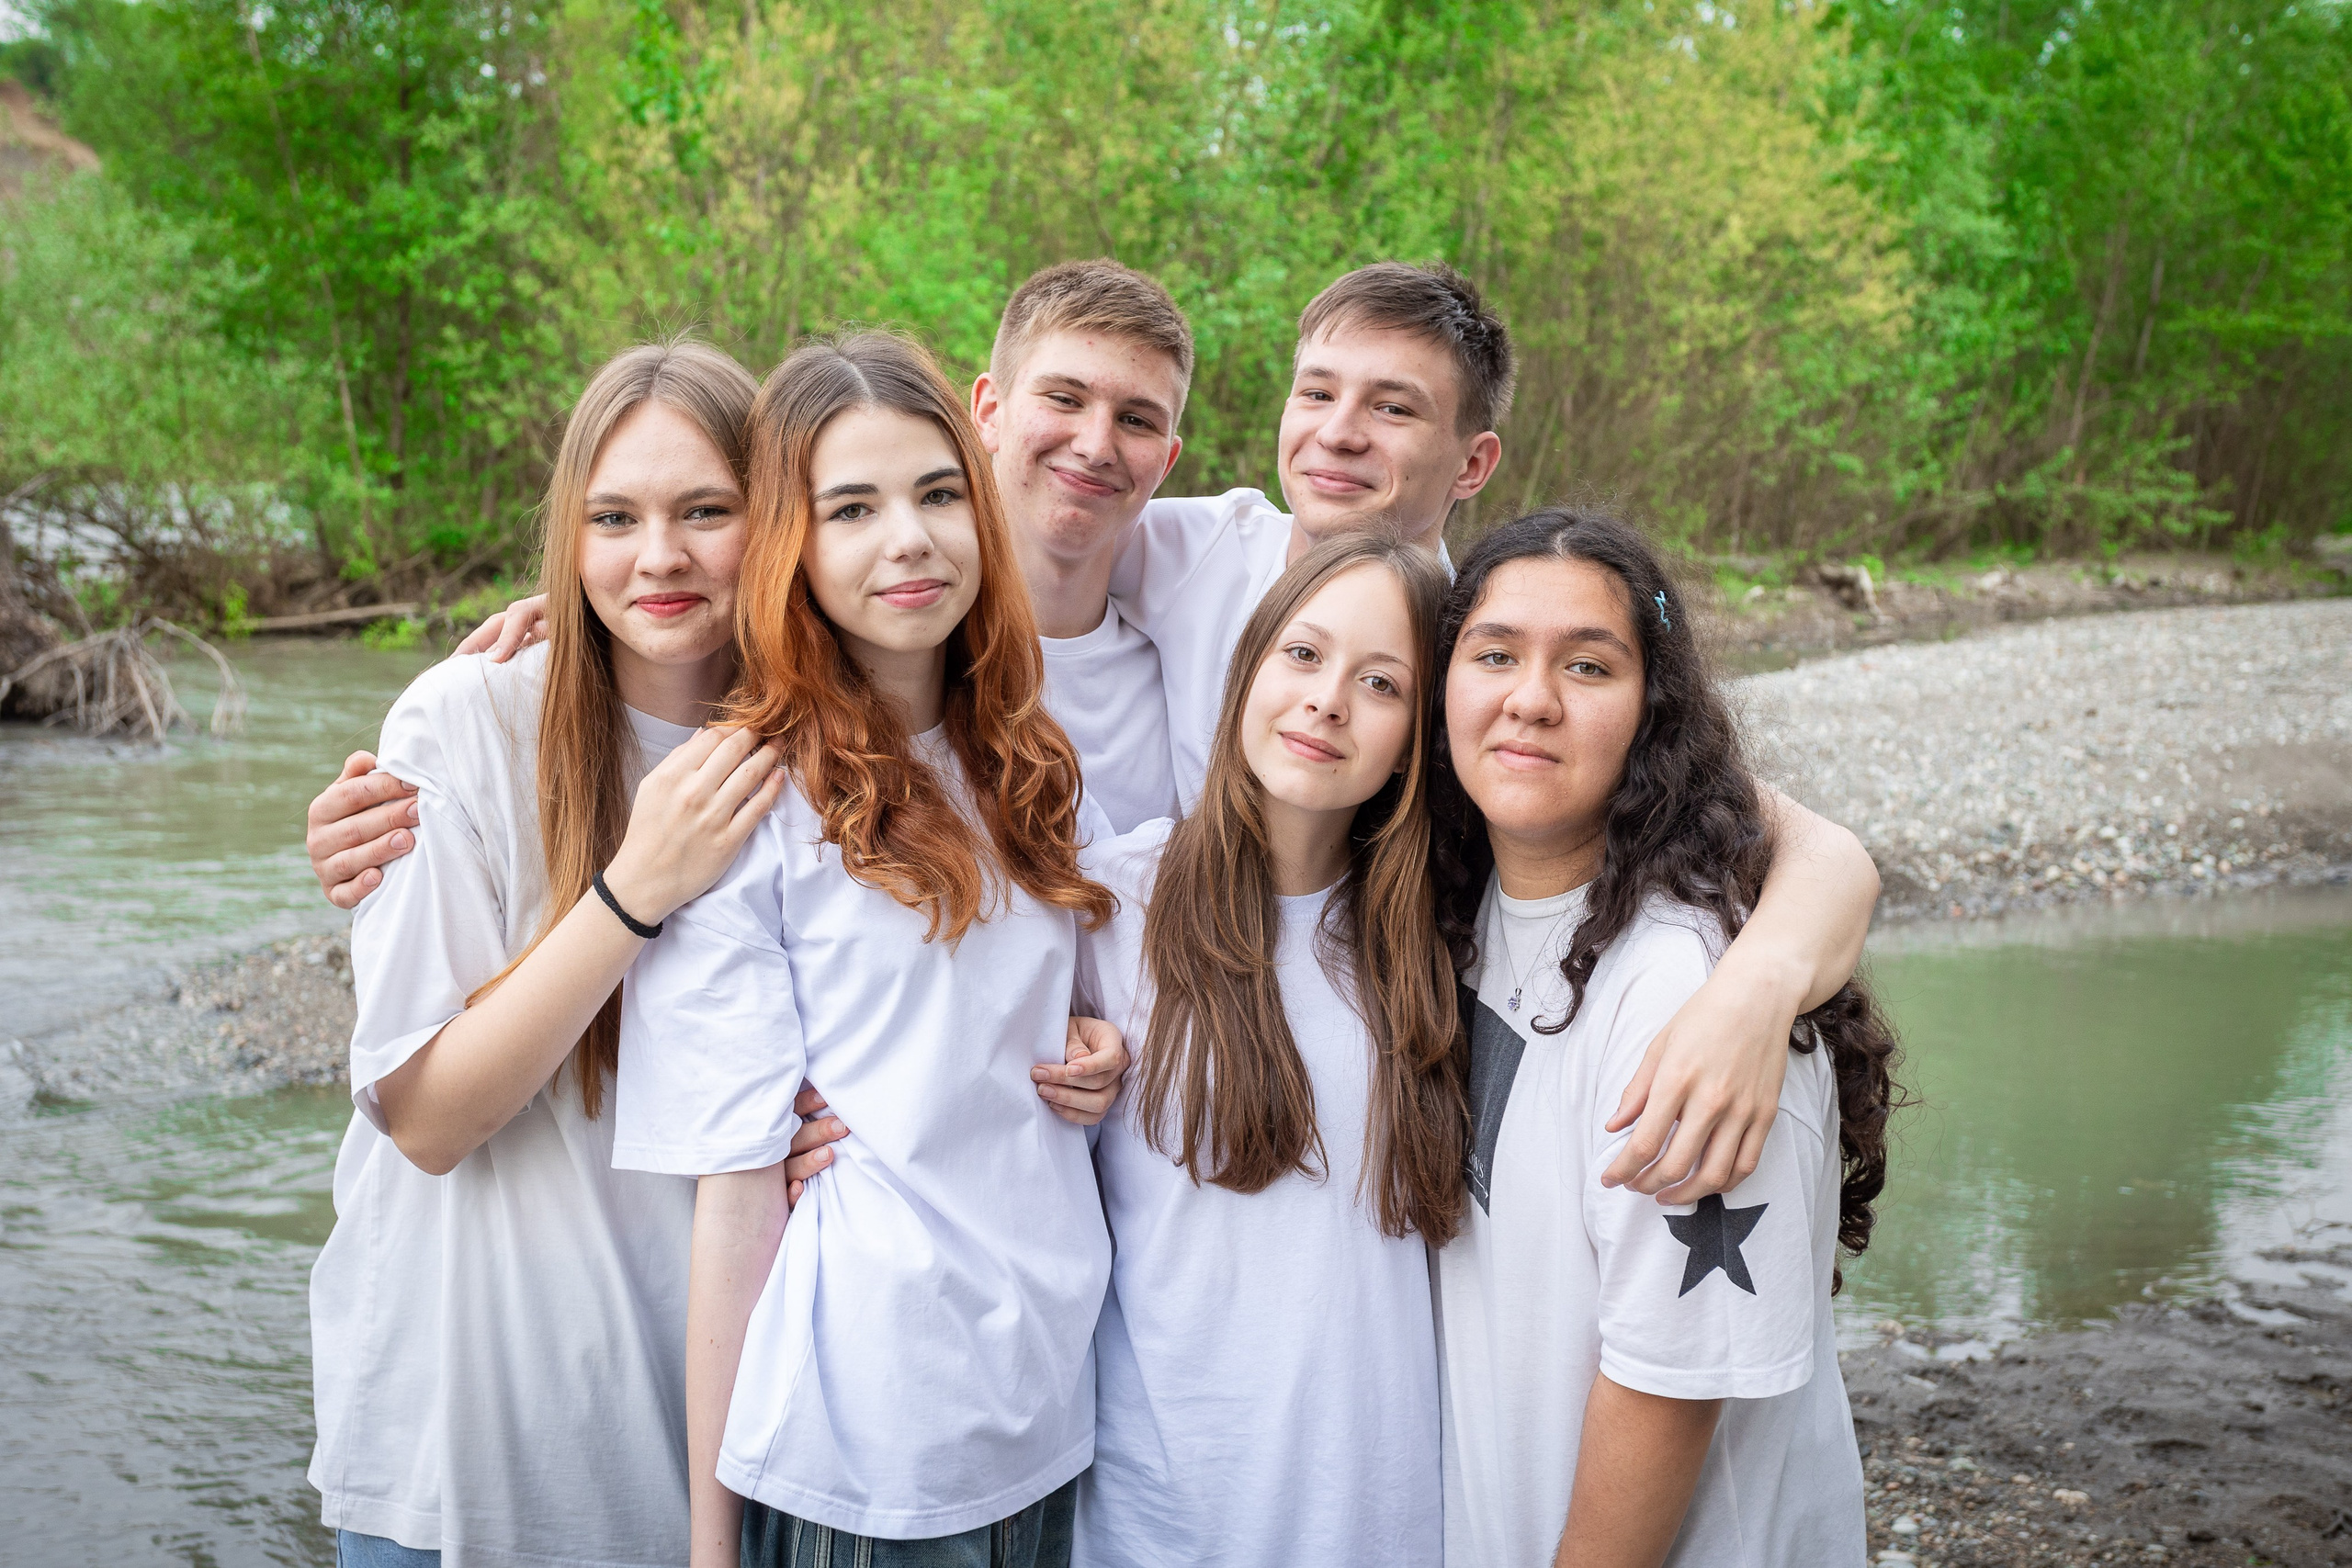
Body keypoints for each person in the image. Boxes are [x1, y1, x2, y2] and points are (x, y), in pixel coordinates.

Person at [315, 258, 1873, 1203]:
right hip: (895, 1194)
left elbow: (1784, 830)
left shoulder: (1450, 640)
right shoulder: (979, 588)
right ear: (989, 407)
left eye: (1389, 409)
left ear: (1469, 462)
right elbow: (781, 588)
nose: (1338, 432)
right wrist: (571, 628)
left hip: (1280, 1133)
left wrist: (1754, 987)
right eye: (1317, 391)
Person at [314, 337, 1124, 1568]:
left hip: (696, 1398)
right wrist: (636, 887)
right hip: (473, 1412)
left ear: (776, 521)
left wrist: (1068, 1033)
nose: (660, 556)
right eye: (614, 517)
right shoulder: (472, 715)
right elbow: (425, 1117)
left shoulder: (820, 739)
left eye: (708, 511)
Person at [609, 332, 1118, 1568]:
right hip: (869, 1443)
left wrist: (1106, 1045)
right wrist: (711, 1544)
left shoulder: (1028, 754)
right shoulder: (747, 795)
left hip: (1050, 1401)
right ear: (793, 539)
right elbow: (735, 1189)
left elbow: (1071, 988)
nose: (911, 537)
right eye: (854, 506)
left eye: (941, 492)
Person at [1429, 506, 1900, 1568]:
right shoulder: (1470, 907)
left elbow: (1668, 1381)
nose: (1530, 700)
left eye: (1588, 668)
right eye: (1493, 653)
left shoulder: (1691, 988)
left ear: (1653, 712)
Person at [1075, 531, 1461, 1567]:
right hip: (1155, 1514)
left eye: (1380, 682)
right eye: (1301, 654)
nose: (1328, 699)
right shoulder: (1114, 905)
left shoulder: (1449, 936)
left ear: (1420, 736)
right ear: (1247, 668)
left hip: (1378, 1515)